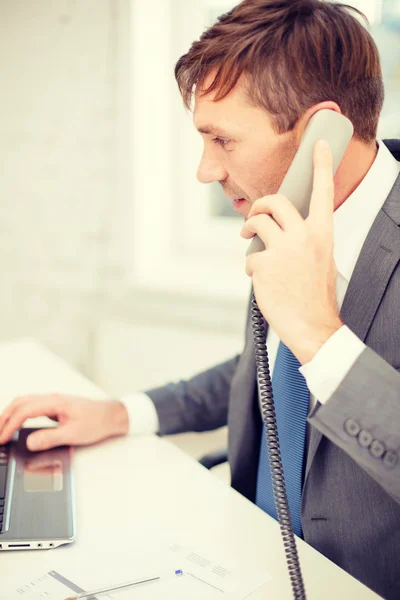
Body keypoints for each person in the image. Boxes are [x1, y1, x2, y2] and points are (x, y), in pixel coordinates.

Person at [1, 0, 400, 596]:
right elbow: (266, 369)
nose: (205, 170)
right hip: (245, 553)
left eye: (222, 140)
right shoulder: (285, 215)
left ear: (325, 132)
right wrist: (125, 412)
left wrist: (321, 336)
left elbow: (316, 355)